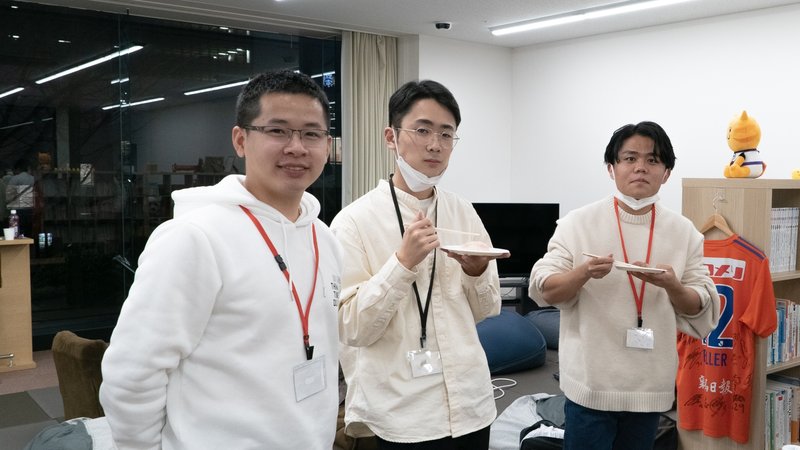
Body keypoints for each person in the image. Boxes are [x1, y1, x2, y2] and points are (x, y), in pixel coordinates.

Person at [99, 70, 342, 449]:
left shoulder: (324, 237)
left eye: (312, 134)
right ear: (241, 140)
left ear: (327, 144)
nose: (297, 147)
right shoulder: (194, 238)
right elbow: (133, 373)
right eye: (277, 131)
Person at [331, 79, 503, 449]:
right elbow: (351, 328)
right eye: (422, 130)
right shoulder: (354, 222)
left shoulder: (463, 212)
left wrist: (476, 273)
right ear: (391, 137)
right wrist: (402, 264)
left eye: (446, 134)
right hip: (402, 413)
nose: (435, 144)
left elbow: (488, 309)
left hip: (472, 403)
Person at [528, 121, 720, 450]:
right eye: (630, 158)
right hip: (590, 384)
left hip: (649, 387)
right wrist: (583, 273)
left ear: (666, 173)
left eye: (652, 160)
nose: (640, 167)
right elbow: (543, 286)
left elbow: (700, 305)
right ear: (611, 168)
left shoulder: (684, 232)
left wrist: (672, 286)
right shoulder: (578, 223)